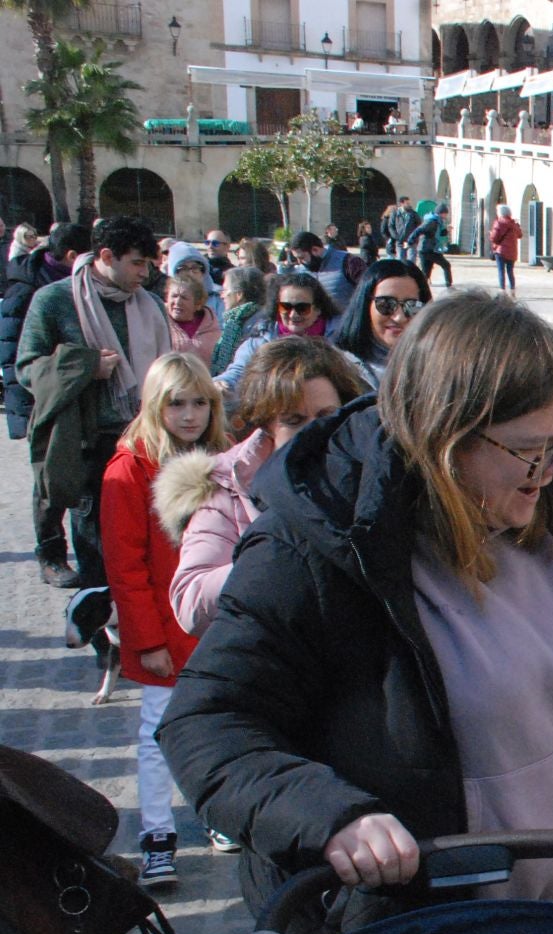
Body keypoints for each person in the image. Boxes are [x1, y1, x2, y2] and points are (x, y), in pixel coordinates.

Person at [158, 292, 553, 905]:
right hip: (409, 927)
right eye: (530, 448)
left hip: (549, 895)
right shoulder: (310, 549)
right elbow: (205, 723)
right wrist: (332, 816)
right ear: (445, 440)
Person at [103, 353, 231, 888]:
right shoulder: (129, 469)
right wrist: (146, 640)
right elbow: (125, 565)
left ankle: (218, 814)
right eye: (177, 403)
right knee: (158, 738)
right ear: (155, 405)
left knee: (221, 729)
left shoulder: (223, 457)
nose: (189, 414)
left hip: (216, 627)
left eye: (199, 402)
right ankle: (157, 834)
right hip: (164, 632)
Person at [159, 336, 366, 637]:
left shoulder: (372, 470)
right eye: (294, 420)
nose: (315, 431)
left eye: (326, 416)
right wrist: (276, 557)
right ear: (267, 425)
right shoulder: (227, 484)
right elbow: (190, 603)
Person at [18, 215, 169, 594]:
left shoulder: (150, 304)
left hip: (140, 440)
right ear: (105, 255)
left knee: (139, 547)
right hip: (84, 441)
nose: (145, 274)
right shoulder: (53, 300)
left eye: (150, 265)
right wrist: (86, 368)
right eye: (137, 263)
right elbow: (25, 367)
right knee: (96, 551)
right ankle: (105, 636)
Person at [4, 222, 86, 580]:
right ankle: (51, 555)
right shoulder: (29, 289)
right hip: (43, 398)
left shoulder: (83, 289)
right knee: (48, 485)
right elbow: (13, 353)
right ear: (71, 256)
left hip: (79, 397)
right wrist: (21, 412)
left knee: (82, 483)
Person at [216, 271, 342, 394]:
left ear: (318, 309)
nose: (293, 314)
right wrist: (222, 383)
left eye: (302, 308)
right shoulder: (261, 339)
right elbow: (239, 372)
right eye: (286, 307)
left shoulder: (340, 338)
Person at [334, 259, 432, 390]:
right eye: (386, 304)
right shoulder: (339, 370)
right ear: (364, 305)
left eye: (412, 306)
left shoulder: (438, 364)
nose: (399, 317)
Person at [210, 266, 271, 376]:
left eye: (224, 290)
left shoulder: (260, 325)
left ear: (239, 295)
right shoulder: (235, 320)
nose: (221, 295)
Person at [288, 230, 362, 308]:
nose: (299, 262)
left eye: (301, 257)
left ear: (315, 250)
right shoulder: (301, 271)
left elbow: (367, 294)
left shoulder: (350, 262)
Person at [163, 275, 219, 366]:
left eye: (184, 298)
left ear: (197, 304)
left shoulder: (210, 325)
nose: (177, 302)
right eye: (174, 296)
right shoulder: (158, 320)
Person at [166, 243, 224, 320]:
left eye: (195, 268)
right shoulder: (162, 302)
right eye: (183, 268)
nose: (190, 273)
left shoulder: (219, 297)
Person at [408, 201, 455, 290]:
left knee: (426, 272)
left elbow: (437, 233)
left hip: (427, 249)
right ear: (442, 213)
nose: (446, 216)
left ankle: (419, 289)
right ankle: (449, 286)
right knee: (446, 265)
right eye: (446, 214)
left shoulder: (436, 221)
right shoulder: (432, 222)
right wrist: (410, 241)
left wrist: (446, 230)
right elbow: (418, 230)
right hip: (429, 249)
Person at [386, 197, 420, 265]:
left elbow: (419, 226)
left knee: (411, 261)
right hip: (400, 242)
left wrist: (415, 237)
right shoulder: (395, 214)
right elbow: (391, 226)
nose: (409, 205)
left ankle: (411, 274)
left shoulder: (413, 214)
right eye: (407, 203)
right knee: (400, 261)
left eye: (409, 203)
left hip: (411, 242)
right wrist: (396, 237)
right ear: (401, 203)